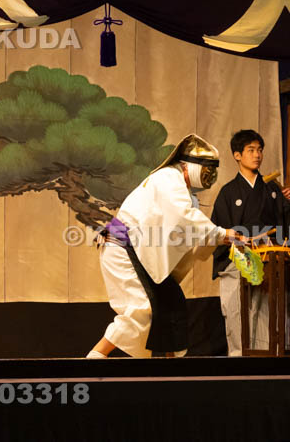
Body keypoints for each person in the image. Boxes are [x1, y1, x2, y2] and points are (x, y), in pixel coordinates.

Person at [87, 134, 244, 359]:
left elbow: (188, 236)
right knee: (140, 309)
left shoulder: (183, 191)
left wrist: (223, 239)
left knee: (170, 305)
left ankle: (170, 369)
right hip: (123, 247)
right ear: (189, 166)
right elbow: (184, 217)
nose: (210, 175)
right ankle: (92, 360)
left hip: (136, 252)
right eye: (207, 169)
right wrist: (220, 234)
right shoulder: (169, 178)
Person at [211, 129, 290, 356]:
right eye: (251, 150)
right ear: (237, 155)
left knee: (269, 320)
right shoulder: (228, 193)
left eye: (260, 150)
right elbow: (218, 231)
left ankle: (273, 366)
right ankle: (239, 365)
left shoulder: (273, 189)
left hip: (270, 262)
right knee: (238, 317)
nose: (257, 155)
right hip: (239, 261)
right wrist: (239, 242)